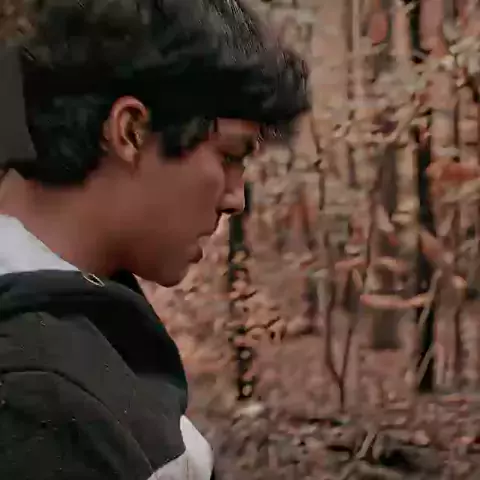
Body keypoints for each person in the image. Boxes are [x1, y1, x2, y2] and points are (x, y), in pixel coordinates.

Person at [0, 0, 310, 479]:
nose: (236, 199)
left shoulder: (77, 318)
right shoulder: (40, 404)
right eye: (230, 156)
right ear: (131, 132)